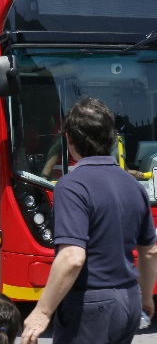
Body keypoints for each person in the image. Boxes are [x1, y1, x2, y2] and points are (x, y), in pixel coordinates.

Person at [21, 98, 157, 344]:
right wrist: (145, 298)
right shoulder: (133, 185)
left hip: (91, 305)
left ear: (70, 140)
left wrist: (42, 312)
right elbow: (150, 251)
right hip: (128, 301)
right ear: (111, 138)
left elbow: (72, 258)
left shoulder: (71, 186)